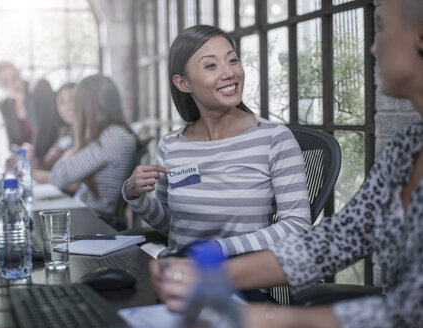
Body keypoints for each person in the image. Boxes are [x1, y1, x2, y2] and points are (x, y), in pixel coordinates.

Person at [150, 0, 423, 327]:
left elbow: (410, 311)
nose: (373, 46)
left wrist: (258, 317)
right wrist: (209, 275)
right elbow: (336, 239)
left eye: (381, 28)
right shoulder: (406, 150)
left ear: (420, 37)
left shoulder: (271, 137)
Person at [122, 25, 311, 258]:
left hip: (239, 282)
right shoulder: (172, 146)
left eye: (233, 60)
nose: (229, 72)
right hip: (176, 276)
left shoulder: (273, 139)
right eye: (211, 65)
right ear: (184, 84)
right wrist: (135, 196)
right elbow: (174, 227)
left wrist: (220, 249)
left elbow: (297, 225)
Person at [50, 74, 137, 224]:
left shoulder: (112, 137)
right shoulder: (113, 132)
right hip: (90, 216)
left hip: (96, 220)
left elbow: (58, 178)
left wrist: (72, 150)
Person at [0, 60, 62, 163]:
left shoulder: (41, 87)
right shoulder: (5, 105)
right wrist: (22, 151)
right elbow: (12, 143)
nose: (12, 85)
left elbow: (46, 129)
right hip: (27, 162)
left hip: (51, 158)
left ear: (19, 73)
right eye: (5, 82)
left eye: (14, 77)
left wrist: (33, 153)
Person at [32, 82, 76, 187]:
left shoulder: (88, 136)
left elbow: (74, 182)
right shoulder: (64, 133)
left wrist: (28, 173)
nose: (67, 107)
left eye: (72, 100)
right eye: (62, 102)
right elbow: (45, 165)